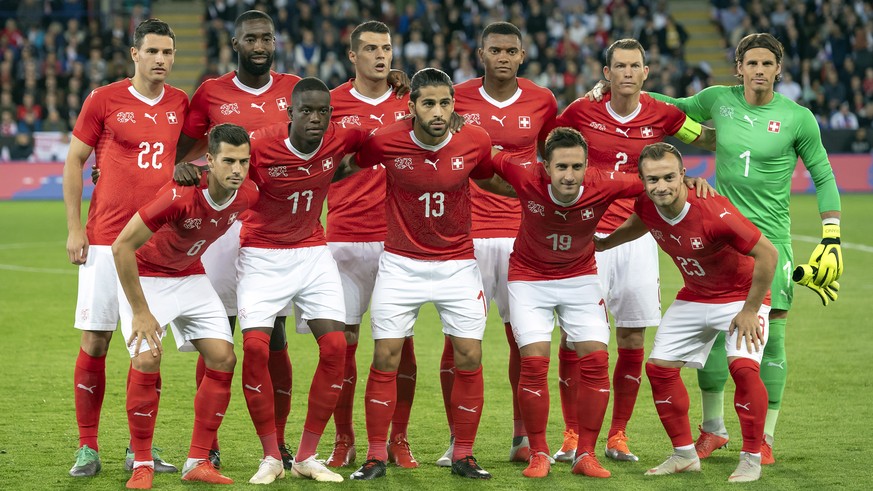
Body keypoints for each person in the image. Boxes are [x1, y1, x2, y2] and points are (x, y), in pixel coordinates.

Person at [642, 33, 843, 464]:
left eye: (767, 64)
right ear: (738, 67)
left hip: (774, 242)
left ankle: (765, 437)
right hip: (722, 239)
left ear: (778, 69)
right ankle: (712, 430)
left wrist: (831, 233)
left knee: (771, 341)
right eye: (751, 63)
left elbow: (823, 175)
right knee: (716, 335)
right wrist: (627, 90)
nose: (758, 70)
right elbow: (671, 106)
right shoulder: (718, 100)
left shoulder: (798, 118)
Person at [549, 38, 716, 464]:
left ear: (646, 73)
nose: (627, 72)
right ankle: (571, 433)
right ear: (606, 73)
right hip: (587, 239)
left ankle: (618, 434)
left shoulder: (665, 115)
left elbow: (707, 141)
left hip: (639, 238)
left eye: (635, 65)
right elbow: (546, 149)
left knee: (631, 335)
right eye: (619, 65)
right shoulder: (580, 112)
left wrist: (697, 173)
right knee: (575, 339)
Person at [348, 68, 499, 481]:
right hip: (400, 263)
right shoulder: (386, 140)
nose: (438, 111)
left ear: (454, 106)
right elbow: (350, 163)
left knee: (470, 354)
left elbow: (491, 176)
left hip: (457, 265)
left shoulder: (475, 140)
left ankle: (463, 454)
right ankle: (376, 455)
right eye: (428, 103)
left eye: (445, 103)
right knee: (385, 356)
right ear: (411, 105)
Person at [594, 142, 777, 483]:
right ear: (642, 180)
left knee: (744, 369)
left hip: (740, 298)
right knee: (659, 368)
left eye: (668, 178)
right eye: (652, 180)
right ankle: (684, 455)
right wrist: (606, 243)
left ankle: (751, 457)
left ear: (684, 176)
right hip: (695, 295)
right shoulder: (648, 201)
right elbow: (641, 220)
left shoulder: (713, 212)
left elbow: (768, 254)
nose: (660, 186)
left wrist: (751, 309)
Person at [173, 10, 301, 468]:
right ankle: (208, 443)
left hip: (274, 229)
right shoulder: (210, 92)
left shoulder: (295, 89)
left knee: (276, 338)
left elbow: (336, 120)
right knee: (217, 332)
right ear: (235, 42)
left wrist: (398, 89)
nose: (260, 45)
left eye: (267, 37)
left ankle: (280, 441)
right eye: (251, 38)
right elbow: (179, 150)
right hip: (222, 232)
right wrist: (176, 169)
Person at [63, 18, 188, 478]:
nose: (161, 60)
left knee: (148, 349)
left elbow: (196, 150)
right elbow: (75, 160)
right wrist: (75, 229)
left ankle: (142, 450)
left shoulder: (180, 103)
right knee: (96, 340)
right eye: (153, 51)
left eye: (168, 53)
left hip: (156, 248)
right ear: (135, 54)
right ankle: (87, 447)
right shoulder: (103, 99)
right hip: (103, 240)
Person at [112, 124, 259, 489]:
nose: (237, 170)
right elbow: (122, 247)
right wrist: (142, 311)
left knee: (224, 358)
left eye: (243, 161)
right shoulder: (180, 195)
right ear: (208, 160)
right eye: (228, 161)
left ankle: (197, 460)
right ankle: (142, 463)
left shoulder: (248, 195)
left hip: (191, 276)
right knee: (147, 359)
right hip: (146, 277)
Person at [237, 77, 368, 484]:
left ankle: (307, 456)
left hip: (313, 252)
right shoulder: (259, 145)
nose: (315, 118)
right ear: (289, 113)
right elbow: (223, 168)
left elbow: (385, 137)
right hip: (260, 252)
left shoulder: (340, 137)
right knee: (256, 351)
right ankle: (272, 455)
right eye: (306, 111)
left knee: (336, 346)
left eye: (323, 111)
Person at [439, 21, 558, 466]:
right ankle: (456, 440)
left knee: (521, 340)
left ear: (522, 55)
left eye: (511, 50)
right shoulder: (458, 97)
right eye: (495, 50)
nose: (503, 57)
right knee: (458, 342)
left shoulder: (542, 100)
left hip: (520, 235)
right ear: (480, 53)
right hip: (463, 235)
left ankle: (521, 437)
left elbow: (553, 158)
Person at [323, 20, 417, 469]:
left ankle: (398, 439)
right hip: (343, 237)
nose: (382, 56)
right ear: (353, 56)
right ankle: (344, 439)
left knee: (402, 345)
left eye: (387, 48)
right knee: (343, 346)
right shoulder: (331, 104)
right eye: (372, 49)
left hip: (400, 241)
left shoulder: (409, 100)